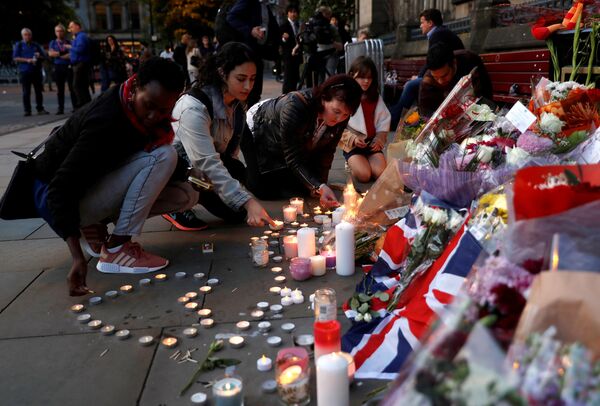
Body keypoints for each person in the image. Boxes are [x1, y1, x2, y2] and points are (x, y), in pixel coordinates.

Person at [31, 57, 199, 296]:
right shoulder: (106, 120)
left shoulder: (136, 111)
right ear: (136, 87)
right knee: (163, 156)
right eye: (149, 105)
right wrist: (77, 258)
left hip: (91, 187)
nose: (154, 116)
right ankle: (116, 249)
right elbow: (60, 189)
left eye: (164, 110)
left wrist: (194, 174)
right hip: (62, 200)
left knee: (187, 194)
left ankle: (96, 226)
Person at [164, 42, 273, 230]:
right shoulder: (194, 108)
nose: (248, 86)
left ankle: (206, 196)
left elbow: (229, 155)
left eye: (253, 79)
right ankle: (172, 203)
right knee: (238, 204)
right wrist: (247, 201)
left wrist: (239, 193)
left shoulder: (237, 105)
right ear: (222, 73)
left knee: (237, 195)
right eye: (241, 79)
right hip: (181, 170)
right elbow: (207, 164)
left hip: (205, 168)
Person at [242, 74, 362, 207]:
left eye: (346, 114)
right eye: (336, 111)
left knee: (304, 188)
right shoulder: (295, 107)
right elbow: (293, 157)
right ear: (324, 98)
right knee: (264, 190)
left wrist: (319, 185)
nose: (339, 119)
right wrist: (318, 185)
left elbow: (328, 151)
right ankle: (241, 172)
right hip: (263, 132)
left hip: (297, 143)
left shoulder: (340, 118)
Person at [390, 9, 465, 128]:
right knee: (413, 84)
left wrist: (420, 76)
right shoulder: (439, 32)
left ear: (430, 23)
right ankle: (395, 116)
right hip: (445, 73)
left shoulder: (438, 34)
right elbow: (432, 60)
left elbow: (435, 62)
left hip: (452, 75)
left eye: (422, 22)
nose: (420, 26)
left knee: (411, 85)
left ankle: (393, 120)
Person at [340, 56, 390, 183]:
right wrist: (353, 139)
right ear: (352, 75)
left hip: (371, 144)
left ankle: (365, 162)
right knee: (364, 176)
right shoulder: (344, 97)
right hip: (352, 145)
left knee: (380, 173)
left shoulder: (374, 96)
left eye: (369, 77)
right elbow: (337, 126)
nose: (366, 81)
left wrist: (379, 138)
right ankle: (352, 163)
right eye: (362, 77)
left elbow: (383, 121)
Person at [226, 0, 280, 106]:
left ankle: (252, 115)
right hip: (247, 52)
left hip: (258, 51)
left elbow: (273, 27)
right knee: (247, 91)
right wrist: (250, 30)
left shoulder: (265, 6)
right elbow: (231, 17)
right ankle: (244, 116)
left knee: (256, 89)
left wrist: (278, 43)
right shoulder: (249, 2)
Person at [419, 43, 493, 117]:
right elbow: (425, 112)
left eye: (444, 75)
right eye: (435, 77)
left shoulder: (469, 60)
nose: (440, 81)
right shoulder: (428, 81)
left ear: (454, 63)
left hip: (477, 109)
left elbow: (486, 88)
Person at [12, 28, 49, 116]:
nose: (27, 36)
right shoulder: (19, 45)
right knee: (26, 92)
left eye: (29, 35)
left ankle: (40, 108)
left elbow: (44, 57)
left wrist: (39, 56)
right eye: (25, 35)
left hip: (36, 71)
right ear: (22, 36)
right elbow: (15, 57)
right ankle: (27, 110)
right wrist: (27, 60)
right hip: (25, 71)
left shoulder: (35, 45)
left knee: (38, 91)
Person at [48, 24, 75, 114]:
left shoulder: (69, 42)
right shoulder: (53, 42)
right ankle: (60, 108)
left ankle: (75, 106)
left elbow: (71, 55)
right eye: (57, 31)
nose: (59, 33)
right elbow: (51, 54)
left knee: (72, 88)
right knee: (60, 89)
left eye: (61, 31)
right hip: (58, 67)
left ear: (64, 32)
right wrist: (63, 54)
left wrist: (58, 54)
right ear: (55, 32)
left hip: (68, 67)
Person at [66, 20, 92, 108]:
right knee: (82, 86)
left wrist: (71, 47)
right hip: (78, 64)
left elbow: (80, 49)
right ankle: (87, 105)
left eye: (71, 27)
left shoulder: (81, 37)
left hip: (81, 64)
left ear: (78, 26)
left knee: (77, 85)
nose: (70, 29)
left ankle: (83, 104)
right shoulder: (77, 37)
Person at [280, 4, 302, 93]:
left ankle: (292, 97)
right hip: (288, 56)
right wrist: (284, 39)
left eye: (295, 12)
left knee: (295, 78)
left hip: (297, 56)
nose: (293, 14)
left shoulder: (298, 25)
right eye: (291, 12)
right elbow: (279, 40)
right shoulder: (283, 26)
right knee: (288, 78)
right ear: (287, 14)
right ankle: (285, 98)